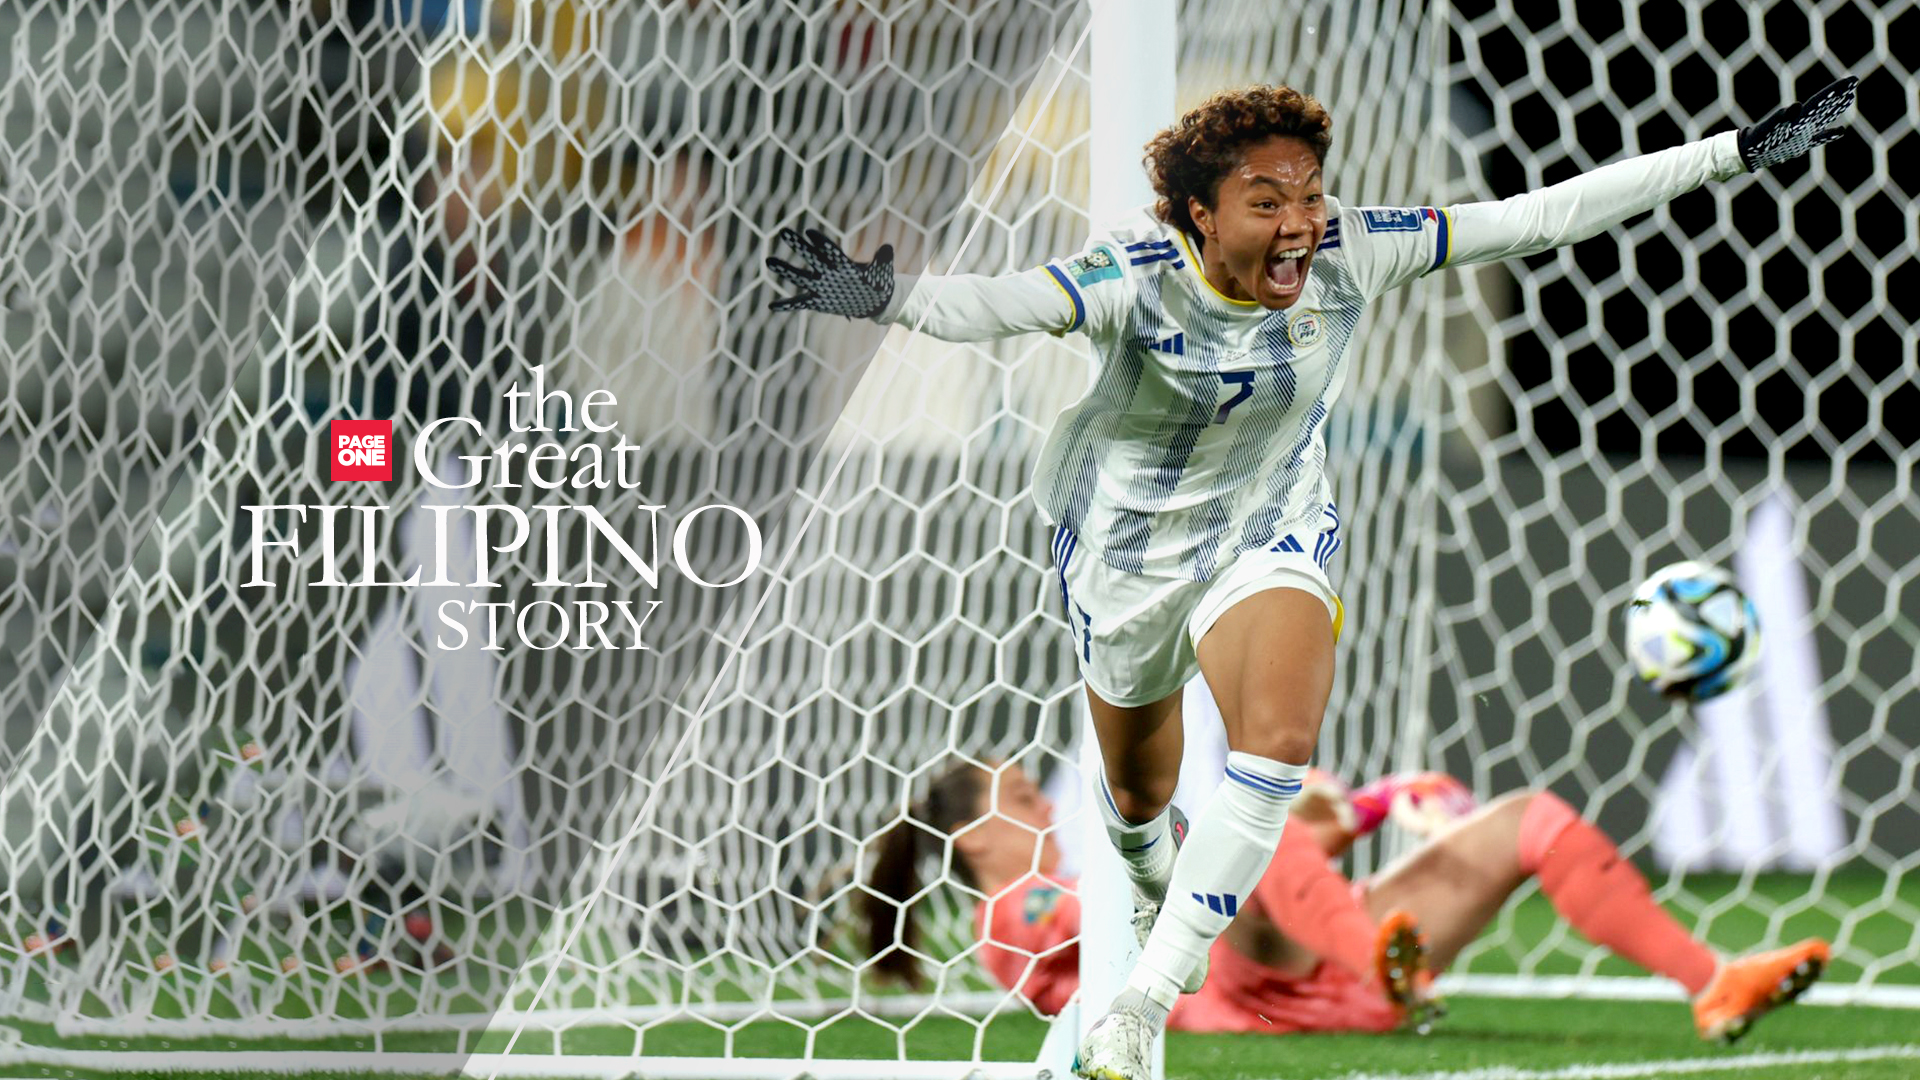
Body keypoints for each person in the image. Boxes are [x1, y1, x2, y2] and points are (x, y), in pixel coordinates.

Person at [772, 77, 1858, 1079]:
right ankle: (1154, 887)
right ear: (1199, 215)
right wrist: (881, 296)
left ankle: (1143, 1002)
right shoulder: (1133, 278)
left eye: (1309, 192)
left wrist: (1733, 152)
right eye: (1266, 201)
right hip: (1125, 559)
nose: (1299, 221)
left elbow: (1537, 216)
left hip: (1270, 530)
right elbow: (1003, 302)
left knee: (1278, 745)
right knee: (1138, 802)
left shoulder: (1353, 248)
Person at [862, 759, 1828, 1045]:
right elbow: (1138, 909)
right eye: (1020, 796)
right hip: (1252, 994)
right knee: (1253, 832)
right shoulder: (1011, 915)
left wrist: (1368, 805)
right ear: (975, 837)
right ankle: (1379, 956)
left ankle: (1713, 981)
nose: (1045, 802)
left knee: (1528, 820)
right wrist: (1315, 816)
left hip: (1328, 959)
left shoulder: (1068, 878)